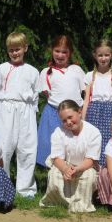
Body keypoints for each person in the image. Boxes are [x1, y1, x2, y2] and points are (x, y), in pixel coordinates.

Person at [0, 32, 39, 198]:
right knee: (3, 147)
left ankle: (25, 189)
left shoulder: (33, 71)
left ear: (25, 48)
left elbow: (35, 96)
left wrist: (31, 113)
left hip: (26, 112)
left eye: (17, 49)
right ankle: (1, 184)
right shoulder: (0, 69)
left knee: (27, 148)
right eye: (11, 50)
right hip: (5, 111)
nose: (14, 53)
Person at [39, 100, 101, 212]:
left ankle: (81, 204)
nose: (68, 122)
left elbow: (91, 160)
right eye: (64, 120)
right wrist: (65, 169)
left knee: (89, 176)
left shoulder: (93, 132)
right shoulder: (58, 132)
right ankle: (59, 202)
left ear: (79, 112)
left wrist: (77, 168)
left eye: (70, 117)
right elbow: (57, 158)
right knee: (54, 174)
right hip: (65, 164)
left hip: (85, 165)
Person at [37, 35, 86, 167]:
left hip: (76, 114)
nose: (60, 55)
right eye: (57, 51)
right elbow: (47, 94)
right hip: (54, 113)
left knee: (75, 145)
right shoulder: (46, 72)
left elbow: (84, 91)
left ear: (70, 53)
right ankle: (53, 176)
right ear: (51, 51)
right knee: (53, 145)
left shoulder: (77, 70)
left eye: (64, 52)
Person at [82, 39, 112, 167]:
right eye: (100, 55)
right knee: (93, 141)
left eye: (106, 55)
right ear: (95, 55)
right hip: (93, 112)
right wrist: (82, 120)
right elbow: (86, 100)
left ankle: (107, 171)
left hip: (110, 113)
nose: (103, 58)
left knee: (108, 141)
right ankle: (93, 171)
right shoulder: (90, 75)